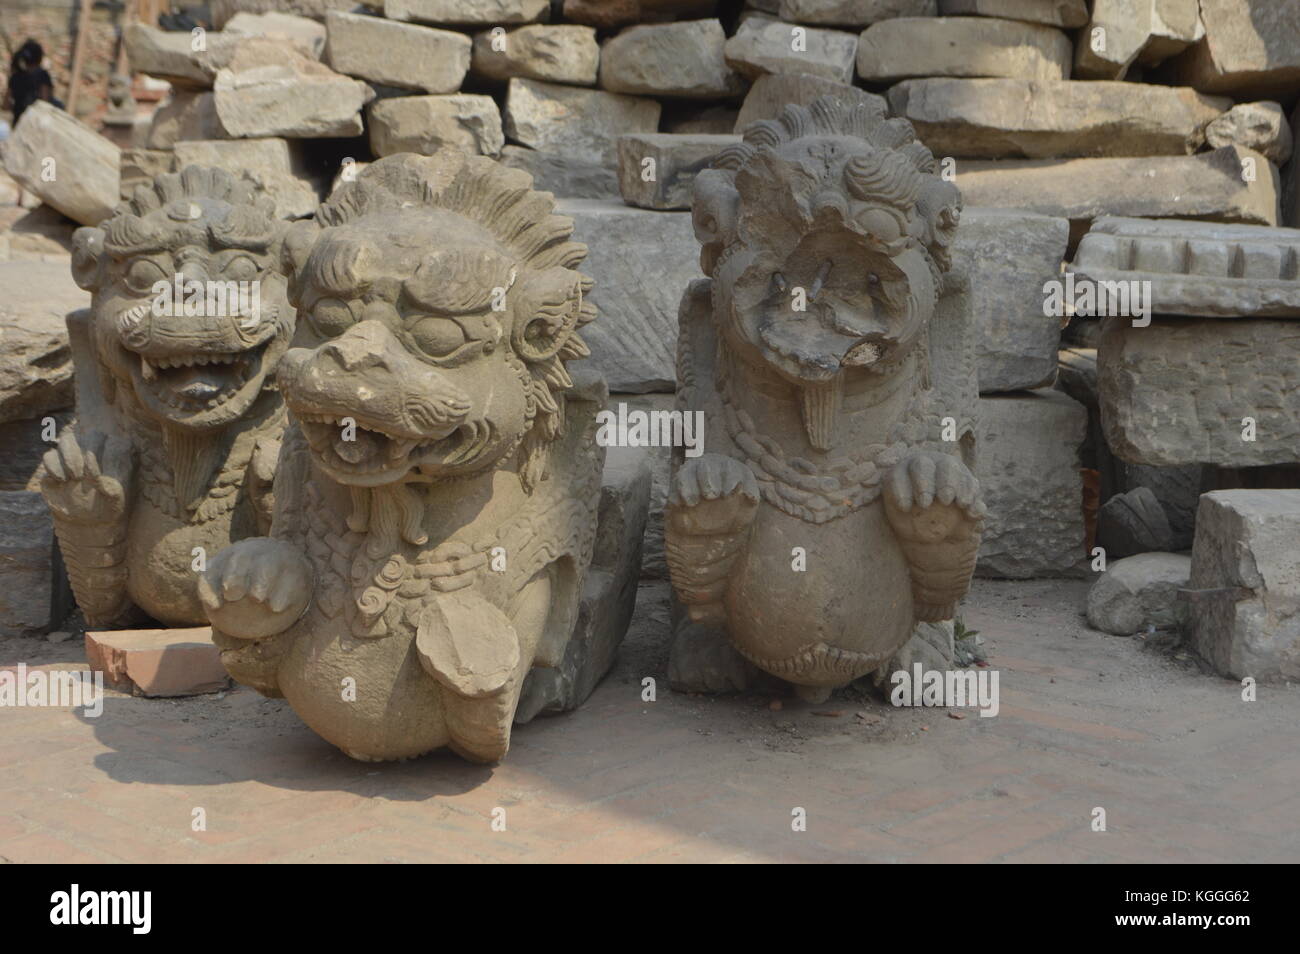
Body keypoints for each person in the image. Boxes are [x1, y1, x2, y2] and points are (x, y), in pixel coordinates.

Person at [5, 40, 56, 127]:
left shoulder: (15, 77)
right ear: (39, 58)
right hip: (35, 126)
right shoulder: (43, 76)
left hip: (18, 125)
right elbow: (45, 103)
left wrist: (18, 107)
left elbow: (5, 105)